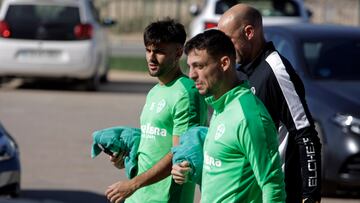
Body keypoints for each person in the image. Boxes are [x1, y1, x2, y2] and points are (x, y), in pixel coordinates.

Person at [217, 4, 322, 203]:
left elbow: (306, 134)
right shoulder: (241, 72)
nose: (225, 50)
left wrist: (311, 194)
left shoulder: (276, 71)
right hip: (251, 193)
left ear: (249, 32)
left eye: (229, 41)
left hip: (279, 193)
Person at [173, 29, 286, 202]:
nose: (191, 75)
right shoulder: (220, 106)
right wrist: (189, 171)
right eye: (190, 66)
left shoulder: (249, 116)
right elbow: (224, 170)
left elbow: (272, 185)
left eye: (199, 66)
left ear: (224, 63)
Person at [105, 18, 208, 203]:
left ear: (178, 52)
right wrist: (126, 158)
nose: (151, 58)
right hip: (137, 197)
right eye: (148, 50)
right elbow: (152, 144)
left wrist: (133, 184)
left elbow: (180, 155)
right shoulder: (155, 91)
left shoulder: (186, 93)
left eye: (159, 52)